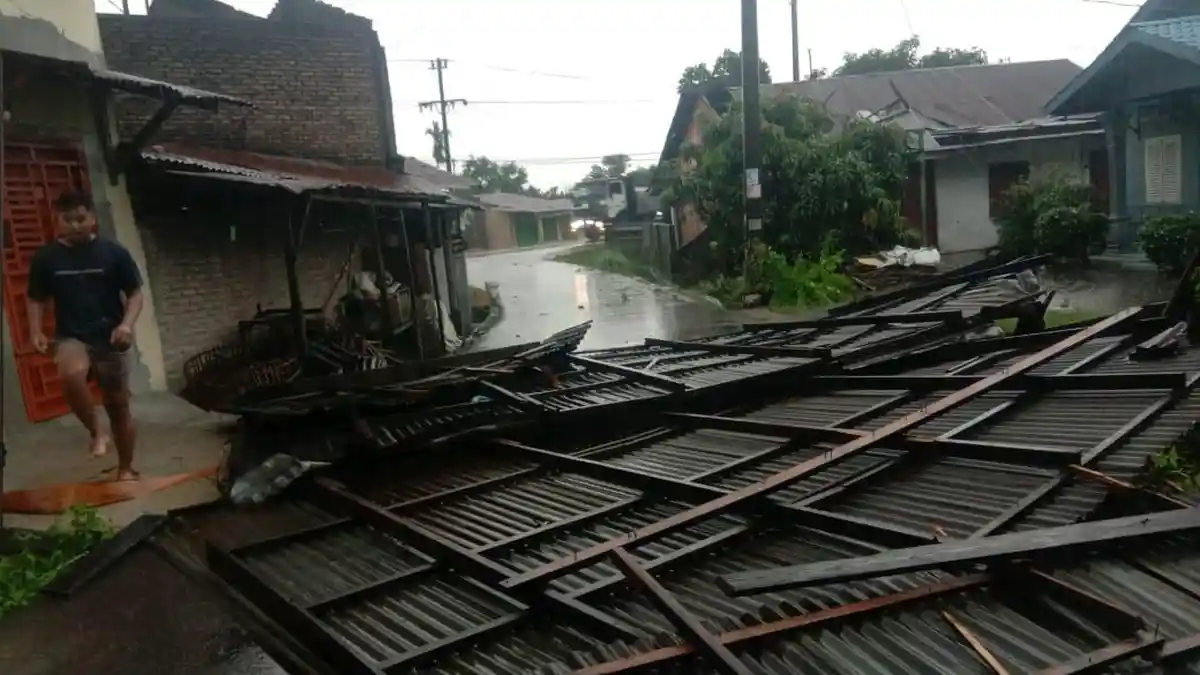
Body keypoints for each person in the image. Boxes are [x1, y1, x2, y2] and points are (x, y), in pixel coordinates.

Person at [27, 191, 144, 481]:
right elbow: (35, 298)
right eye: (68, 220)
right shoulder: (46, 258)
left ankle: (126, 468)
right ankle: (96, 431)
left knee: (118, 404)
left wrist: (127, 324)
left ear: (92, 218)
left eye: (81, 219)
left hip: (111, 337)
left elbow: (135, 293)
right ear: (57, 222)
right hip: (72, 334)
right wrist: (35, 330)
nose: (76, 225)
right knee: (70, 373)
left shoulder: (113, 252)